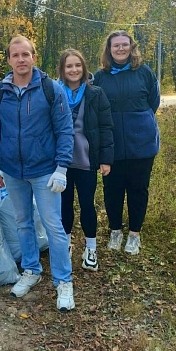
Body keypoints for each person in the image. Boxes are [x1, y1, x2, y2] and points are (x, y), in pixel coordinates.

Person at [0, 35, 75, 312]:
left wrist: (61, 168)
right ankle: (31, 270)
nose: (21, 60)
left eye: (26, 54)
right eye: (15, 55)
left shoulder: (51, 90)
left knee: (53, 226)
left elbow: (64, 130)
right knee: (23, 222)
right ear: (9, 59)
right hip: (12, 172)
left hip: (45, 171)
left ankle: (63, 281)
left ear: (34, 57)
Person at [93, 30, 160, 255]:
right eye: (115, 46)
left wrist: (139, 122)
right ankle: (115, 230)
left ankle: (134, 234)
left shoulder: (144, 73)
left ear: (131, 48)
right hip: (111, 144)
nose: (120, 49)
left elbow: (154, 102)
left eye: (124, 45)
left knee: (138, 189)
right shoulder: (100, 76)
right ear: (109, 50)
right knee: (112, 189)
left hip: (141, 144)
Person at [58, 49, 114, 271]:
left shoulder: (96, 93)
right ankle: (65, 245)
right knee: (63, 205)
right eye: (69, 66)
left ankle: (91, 249)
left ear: (84, 68)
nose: (74, 70)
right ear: (62, 70)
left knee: (87, 205)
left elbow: (106, 127)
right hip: (60, 162)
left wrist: (106, 159)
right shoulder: (54, 93)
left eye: (77, 65)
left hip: (86, 160)